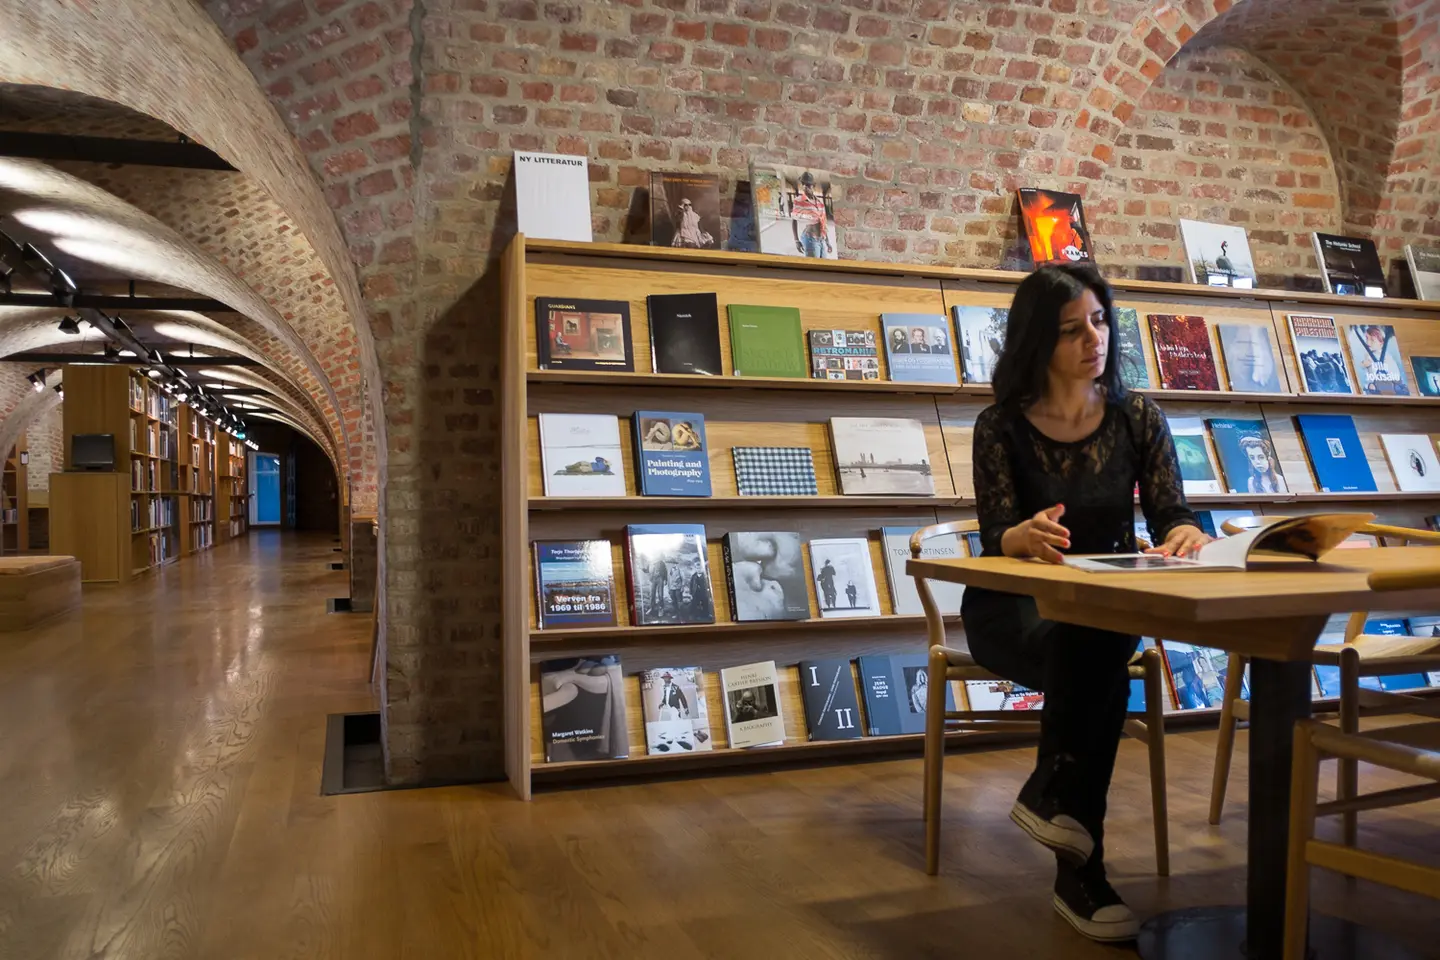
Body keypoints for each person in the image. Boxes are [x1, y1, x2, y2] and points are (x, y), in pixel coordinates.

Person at [961, 264, 1209, 943]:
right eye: (1072, 330)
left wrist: (1186, 533)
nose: (1093, 338)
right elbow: (994, 535)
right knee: (1091, 648)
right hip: (1011, 608)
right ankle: (1078, 864)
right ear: (1038, 342)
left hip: (1104, 607)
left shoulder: (1137, 417)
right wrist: (1017, 536)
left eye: (1099, 321)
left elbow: (1174, 516)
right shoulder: (1000, 426)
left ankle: (1062, 814)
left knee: (1094, 634)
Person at [790, 171, 833, 258]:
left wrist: (827, 242)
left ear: (813, 186)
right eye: (803, 184)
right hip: (810, 239)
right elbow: (794, 220)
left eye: (808, 184)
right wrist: (796, 241)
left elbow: (823, 223)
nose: (805, 186)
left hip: (821, 239)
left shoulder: (819, 202)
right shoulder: (799, 200)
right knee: (815, 268)